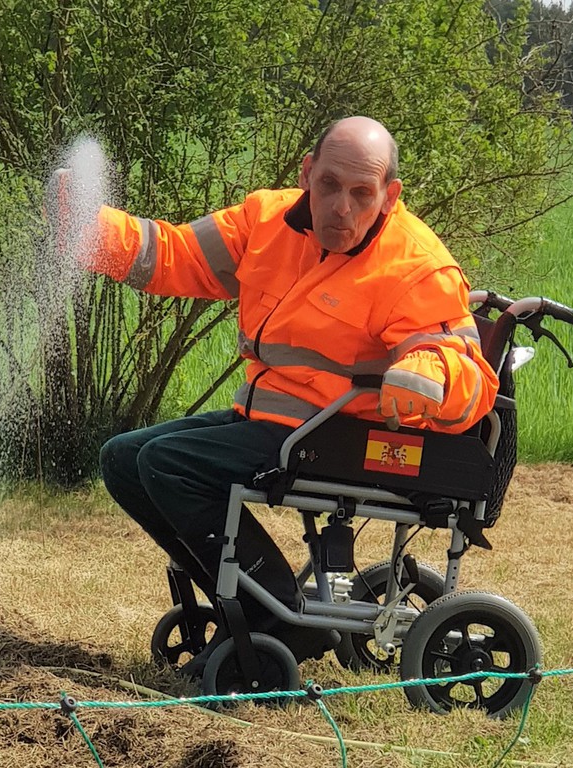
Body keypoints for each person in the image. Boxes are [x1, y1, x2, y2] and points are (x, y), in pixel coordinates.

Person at [84, 116, 499, 673]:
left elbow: (466, 370)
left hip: (345, 437)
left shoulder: (417, 266)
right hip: (273, 422)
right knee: (124, 459)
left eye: (361, 193)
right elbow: (177, 255)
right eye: (329, 185)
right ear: (307, 173)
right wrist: (92, 231)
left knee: (168, 464)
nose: (341, 207)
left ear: (389, 194)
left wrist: (426, 371)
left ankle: (278, 622)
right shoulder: (265, 219)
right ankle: (253, 609)